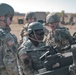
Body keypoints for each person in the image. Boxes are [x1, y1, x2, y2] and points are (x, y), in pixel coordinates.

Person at [0, 3, 19, 75]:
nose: (11, 20)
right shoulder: (6, 37)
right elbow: (10, 62)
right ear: (2, 17)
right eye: (10, 18)